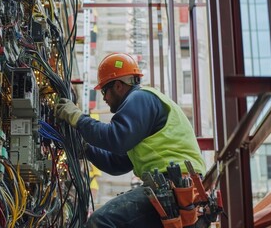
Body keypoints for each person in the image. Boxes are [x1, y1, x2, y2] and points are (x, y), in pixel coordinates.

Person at [56, 53, 206, 228]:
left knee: (101, 222)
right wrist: (84, 148)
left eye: (105, 91)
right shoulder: (139, 121)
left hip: (175, 186)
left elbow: (115, 138)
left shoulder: (141, 98)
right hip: (177, 194)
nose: (104, 98)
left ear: (118, 86)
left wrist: (76, 117)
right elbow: (117, 163)